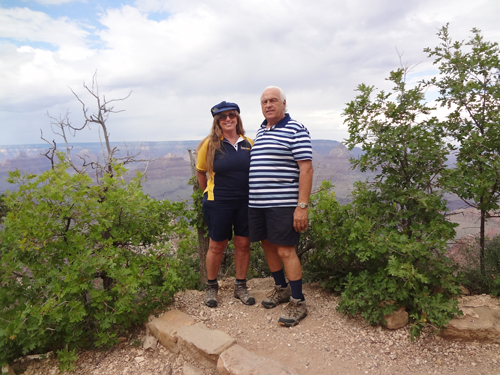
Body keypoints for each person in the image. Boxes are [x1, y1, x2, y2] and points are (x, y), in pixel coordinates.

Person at [248, 86, 313, 327]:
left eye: (273, 100)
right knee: (267, 245)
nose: (268, 105)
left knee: (286, 250)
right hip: (257, 203)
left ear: (284, 103)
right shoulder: (262, 130)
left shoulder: (295, 129)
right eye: (264, 101)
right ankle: (281, 288)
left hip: (283, 204)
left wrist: (302, 206)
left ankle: (298, 301)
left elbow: (306, 168)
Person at [196, 101, 255, 308]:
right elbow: (201, 171)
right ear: (217, 121)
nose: (228, 119)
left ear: (237, 117)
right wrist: (207, 192)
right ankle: (211, 287)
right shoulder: (210, 144)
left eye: (232, 114)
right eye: (223, 116)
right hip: (218, 202)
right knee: (216, 245)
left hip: (245, 202)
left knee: (243, 244)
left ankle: (240, 286)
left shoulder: (249, 143)